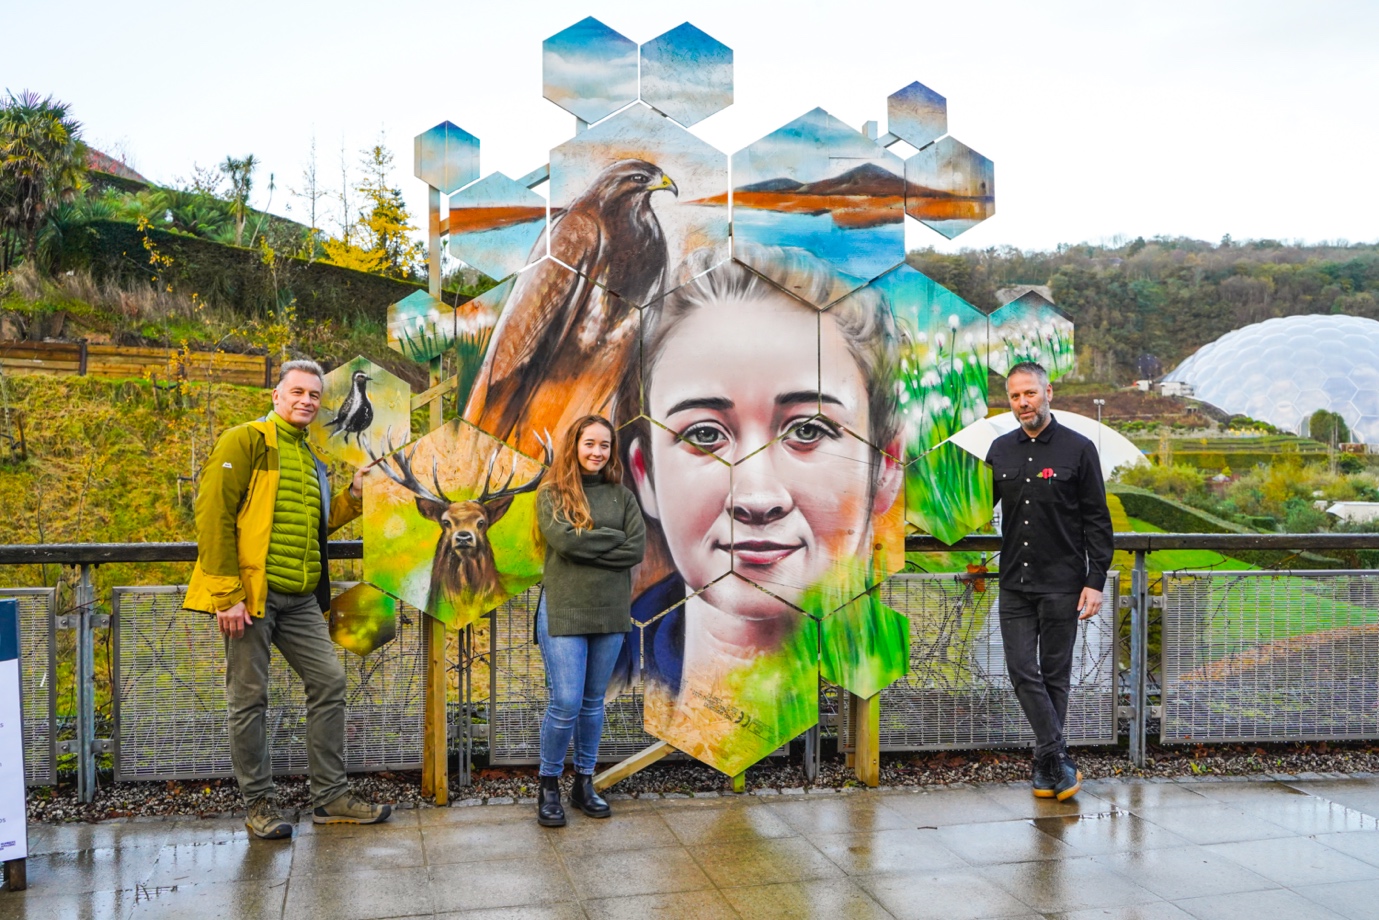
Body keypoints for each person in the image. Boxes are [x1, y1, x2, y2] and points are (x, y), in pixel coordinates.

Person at [615, 254, 906, 772]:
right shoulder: (613, 664)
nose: (755, 495)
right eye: (704, 435)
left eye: (809, 430)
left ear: (884, 466)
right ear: (645, 474)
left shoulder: (872, 651)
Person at [184, 360, 392, 839]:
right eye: (296, 392)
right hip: (251, 597)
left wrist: (355, 495)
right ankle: (259, 805)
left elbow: (316, 527)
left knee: (330, 682)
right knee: (249, 700)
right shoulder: (247, 441)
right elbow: (212, 516)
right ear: (276, 396)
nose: (306, 400)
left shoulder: (311, 458)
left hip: (300, 599)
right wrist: (227, 595)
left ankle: (331, 798)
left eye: (314, 395)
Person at [985, 361, 1114, 801]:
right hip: (1014, 584)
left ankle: (1045, 769)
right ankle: (1057, 757)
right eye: (1016, 396)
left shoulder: (1079, 450)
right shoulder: (999, 450)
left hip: (1063, 583)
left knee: (1055, 675)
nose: (1023, 403)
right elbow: (975, 509)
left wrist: (1095, 580)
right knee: (1022, 669)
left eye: (1030, 394)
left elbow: (1098, 520)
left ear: (1048, 392)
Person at [534, 414, 646, 827]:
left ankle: (584, 782)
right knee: (564, 702)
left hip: (610, 611)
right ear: (574, 445)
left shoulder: (623, 497)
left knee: (593, 703)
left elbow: (634, 549)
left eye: (604, 445)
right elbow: (563, 541)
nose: (597, 452)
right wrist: (609, 539)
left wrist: (587, 544)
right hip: (564, 608)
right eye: (589, 444)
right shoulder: (552, 494)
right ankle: (548, 785)